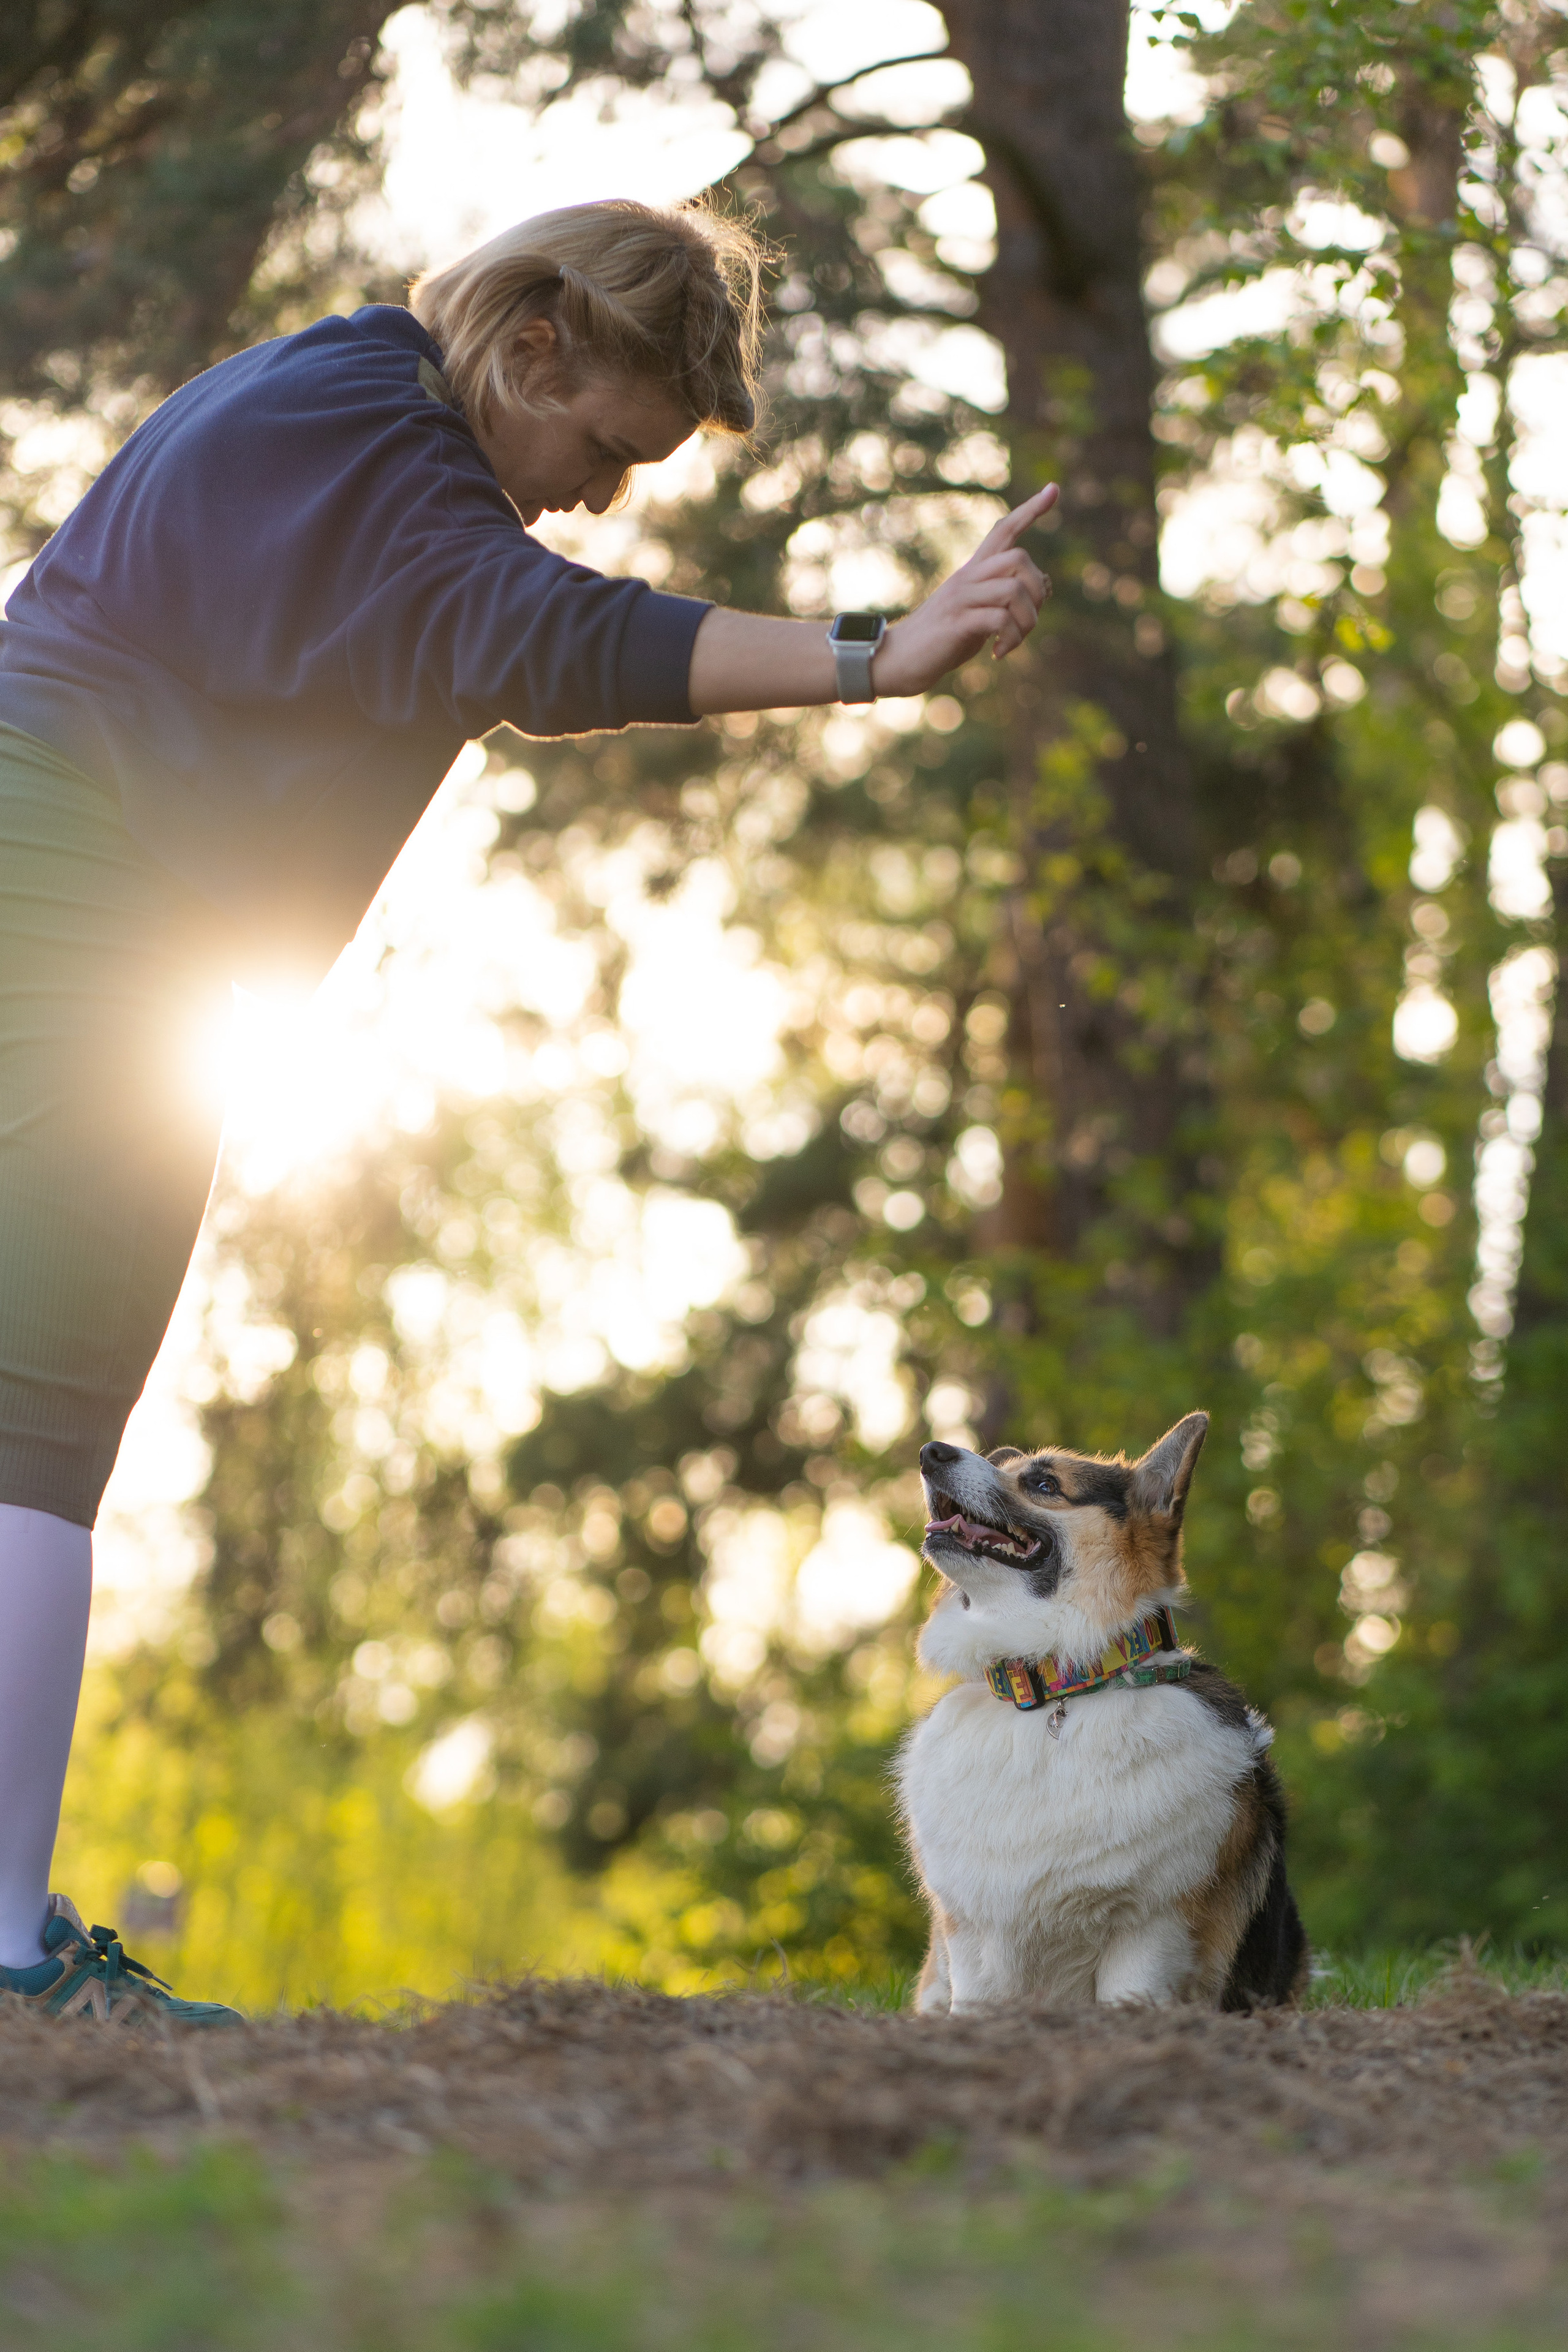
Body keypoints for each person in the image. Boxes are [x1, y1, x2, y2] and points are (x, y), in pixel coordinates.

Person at [0, 195, 1055, 2024]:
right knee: (38, 1414)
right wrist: (879, 652)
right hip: (83, 900)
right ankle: (4, 1956)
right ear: (536, 349)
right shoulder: (363, 435)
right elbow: (548, 641)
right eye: (603, 446)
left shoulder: (338, 409)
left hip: (78, 881)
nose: (598, 495)